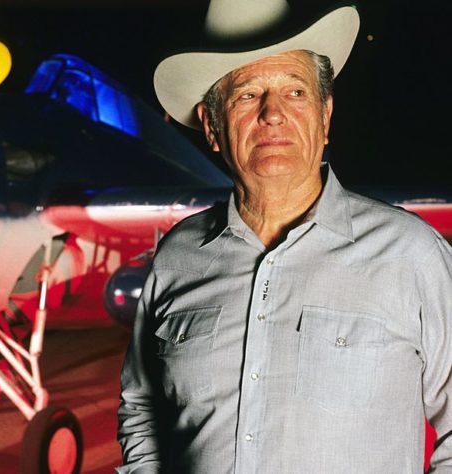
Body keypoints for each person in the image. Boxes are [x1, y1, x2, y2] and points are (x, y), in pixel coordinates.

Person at [117, 1, 452, 472]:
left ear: (326, 115)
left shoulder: (412, 256)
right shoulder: (177, 258)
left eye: (295, 91)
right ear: (212, 127)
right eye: (247, 95)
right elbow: (142, 410)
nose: (273, 114)